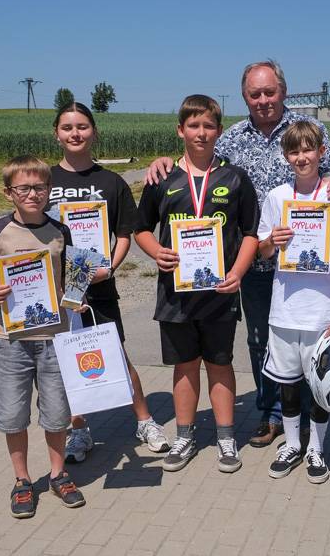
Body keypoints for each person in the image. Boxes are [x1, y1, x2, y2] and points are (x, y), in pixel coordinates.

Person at [146, 60, 330, 449]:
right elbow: (198, 160)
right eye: (254, 94)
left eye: (269, 92)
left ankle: (309, 411)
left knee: (311, 337)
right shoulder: (232, 136)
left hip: (305, 264)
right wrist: (163, 163)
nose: (263, 100)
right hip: (253, 258)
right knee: (262, 339)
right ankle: (272, 413)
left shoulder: (309, 129)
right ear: (245, 97)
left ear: (283, 91)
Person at [134, 95, 259, 473]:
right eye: (193, 126)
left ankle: (225, 437)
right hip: (176, 295)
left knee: (220, 364)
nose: (201, 133)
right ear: (180, 130)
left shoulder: (235, 177)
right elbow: (140, 228)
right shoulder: (162, 178)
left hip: (220, 292)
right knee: (185, 366)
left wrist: (238, 272)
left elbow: (251, 233)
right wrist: (156, 251)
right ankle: (186, 436)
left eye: (208, 126)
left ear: (219, 130)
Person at [49, 102, 169, 464]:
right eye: (68, 127)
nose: (75, 133)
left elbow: (122, 235)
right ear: (56, 133)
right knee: (69, 361)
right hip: (59, 292)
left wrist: (109, 268)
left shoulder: (111, 182)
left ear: (94, 132)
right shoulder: (45, 180)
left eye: (82, 126)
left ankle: (145, 421)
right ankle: (79, 430)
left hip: (99, 285)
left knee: (116, 353)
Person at [0, 156, 86, 518]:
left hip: (54, 339)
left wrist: (77, 299)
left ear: (49, 190)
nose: (33, 194)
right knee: (14, 415)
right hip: (11, 341)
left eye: (40, 187)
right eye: (24, 188)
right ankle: (22, 481)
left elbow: (75, 275)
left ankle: (58, 474)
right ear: (9, 193)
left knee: (56, 415)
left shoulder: (60, 231)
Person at [257, 121, 330, 484]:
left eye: (308, 150)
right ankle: (292, 444)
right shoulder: (277, 197)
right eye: (294, 151)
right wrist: (272, 241)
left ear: (321, 153)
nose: (301, 157)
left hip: (321, 313)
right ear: (286, 156)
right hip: (284, 310)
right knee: (288, 383)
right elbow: (263, 249)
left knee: (320, 385)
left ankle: (316, 447)